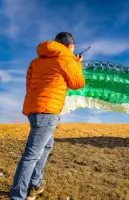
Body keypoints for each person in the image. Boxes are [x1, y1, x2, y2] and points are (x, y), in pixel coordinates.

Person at [9, 32, 85, 200]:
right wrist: (77, 64)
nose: (73, 48)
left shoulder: (36, 61)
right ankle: (18, 195)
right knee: (31, 155)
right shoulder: (66, 59)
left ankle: (34, 184)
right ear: (69, 45)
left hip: (34, 109)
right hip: (48, 111)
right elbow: (77, 83)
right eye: (73, 45)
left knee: (47, 145)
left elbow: (29, 85)